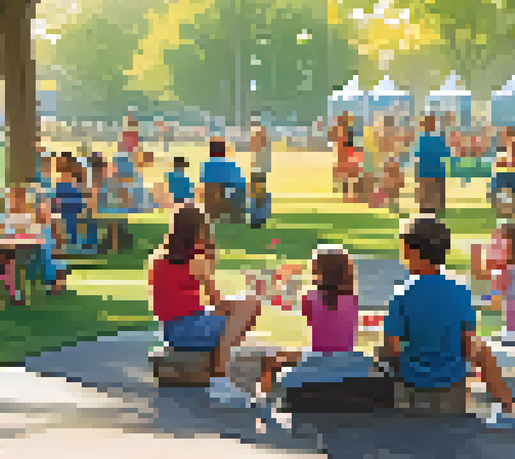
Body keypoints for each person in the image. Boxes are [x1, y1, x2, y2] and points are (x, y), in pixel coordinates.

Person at [381, 216, 515, 426]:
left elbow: (391, 348)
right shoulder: (461, 291)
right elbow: (469, 343)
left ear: (410, 251)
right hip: (452, 381)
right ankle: (510, 410)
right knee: (482, 349)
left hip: (413, 381)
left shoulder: (401, 294)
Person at [147, 205, 262, 407]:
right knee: (247, 309)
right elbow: (215, 301)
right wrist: (235, 307)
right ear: (195, 231)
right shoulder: (195, 259)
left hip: (170, 329)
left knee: (245, 307)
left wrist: (235, 307)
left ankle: (219, 372)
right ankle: (219, 377)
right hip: (188, 328)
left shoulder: (159, 259)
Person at [257, 246, 375, 397]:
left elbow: (308, 315)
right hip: (346, 358)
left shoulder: (310, 298)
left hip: (318, 357)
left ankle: (263, 398)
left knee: (270, 359)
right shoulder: (353, 299)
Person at [474, 222, 515, 341]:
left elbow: (493, 302)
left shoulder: (511, 273)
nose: (493, 249)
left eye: (498, 245)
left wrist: (480, 261)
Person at [200, 139, 246, 224]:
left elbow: (210, 189)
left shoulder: (209, 165)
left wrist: (209, 211)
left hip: (228, 197)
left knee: (212, 189)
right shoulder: (231, 164)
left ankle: (214, 215)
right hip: (239, 199)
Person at [414, 115, 450, 215]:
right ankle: (436, 216)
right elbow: (447, 153)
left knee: (426, 199)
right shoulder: (439, 140)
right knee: (437, 199)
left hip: (426, 174)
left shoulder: (421, 140)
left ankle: (427, 216)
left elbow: (417, 156)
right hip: (436, 173)